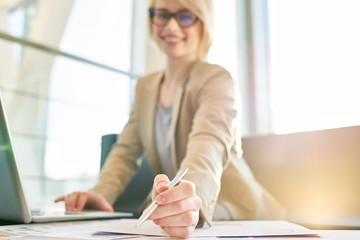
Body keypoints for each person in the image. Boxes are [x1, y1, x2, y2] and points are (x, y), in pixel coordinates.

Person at [55, 0, 286, 238]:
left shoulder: (217, 79)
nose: (172, 27)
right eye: (163, 15)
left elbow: (208, 147)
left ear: (204, 22)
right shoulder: (145, 87)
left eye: (185, 16)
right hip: (180, 210)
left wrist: (189, 197)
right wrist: (101, 193)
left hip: (235, 210)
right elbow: (125, 152)